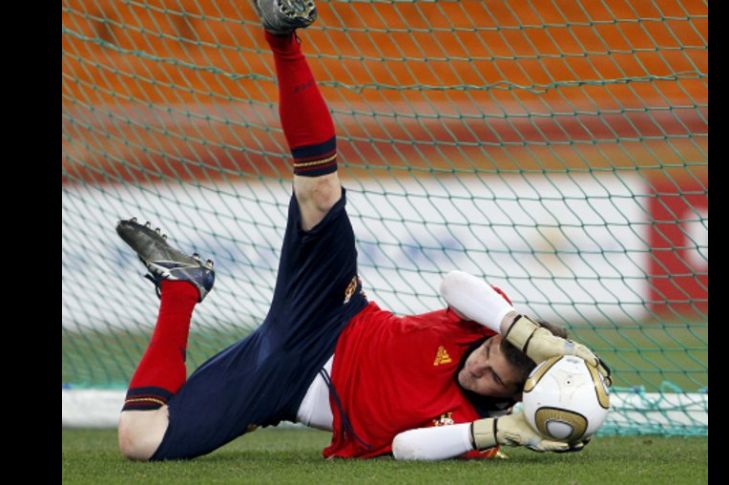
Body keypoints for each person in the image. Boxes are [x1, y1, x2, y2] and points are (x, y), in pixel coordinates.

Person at [116, 0, 611, 462]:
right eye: (487, 355)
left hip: (284, 386)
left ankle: (181, 287)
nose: (479, 367)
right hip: (333, 314)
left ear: (511, 399)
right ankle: (282, 36)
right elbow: (454, 283)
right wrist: (525, 333)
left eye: (492, 378)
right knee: (320, 192)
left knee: (140, 441)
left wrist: (503, 433)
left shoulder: (470, 431)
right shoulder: (485, 324)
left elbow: (405, 448)